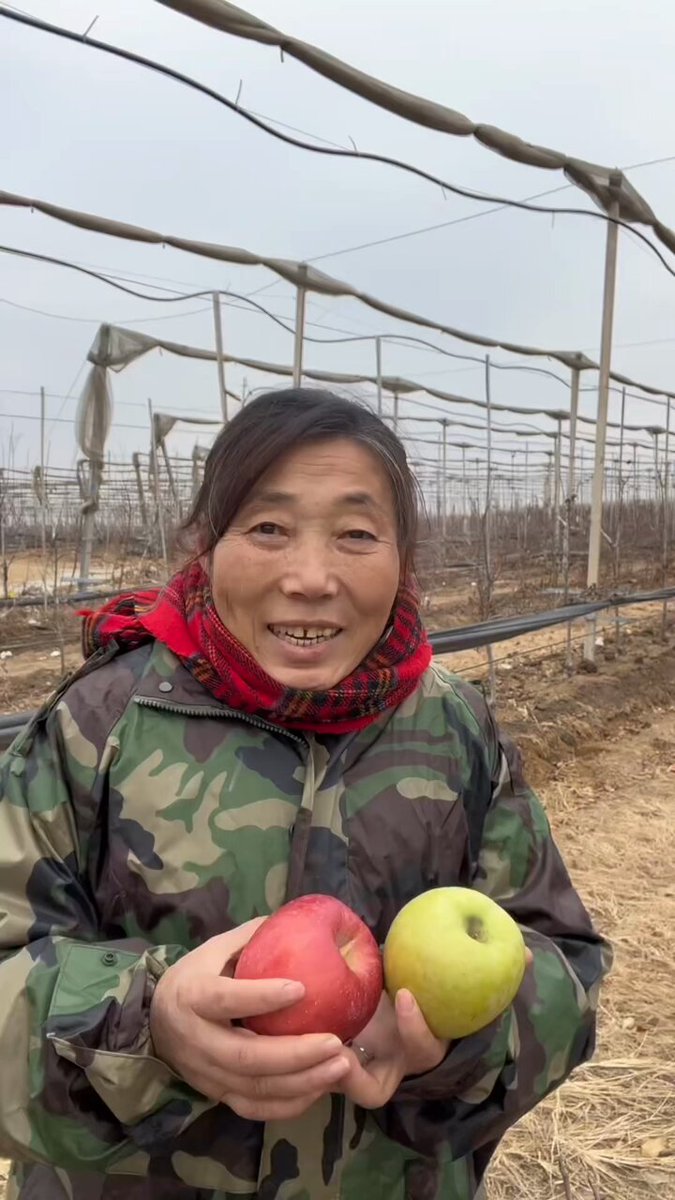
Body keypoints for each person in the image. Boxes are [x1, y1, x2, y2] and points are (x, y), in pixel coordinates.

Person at [0, 388, 611, 1200]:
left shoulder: (456, 730)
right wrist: (147, 1027)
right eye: (267, 529)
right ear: (206, 545)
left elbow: (563, 963)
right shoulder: (100, 724)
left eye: (357, 534)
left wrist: (456, 1042)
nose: (310, 578)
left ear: (404, 556)